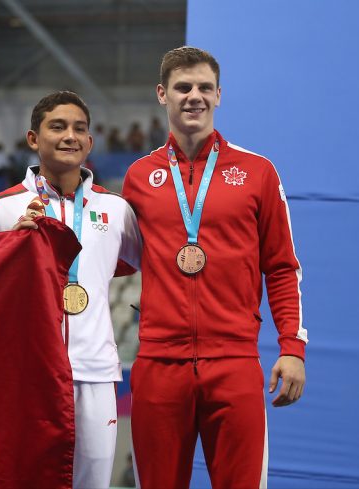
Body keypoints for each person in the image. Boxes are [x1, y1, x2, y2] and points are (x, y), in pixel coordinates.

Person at [122, 46, 307, 488]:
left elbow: (281, 267)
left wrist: (291, 348)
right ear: (162, 94)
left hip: (234, 361)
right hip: (159, 363)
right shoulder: (138, 176)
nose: (194, 96)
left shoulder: (258, 171)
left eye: (205, 87)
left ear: (219, 95)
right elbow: (114, 260)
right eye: (183, 87)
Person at [0, 91, 141, 488]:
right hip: (27, 372)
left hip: (95, 372)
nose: (70, 136)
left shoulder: (117, 210)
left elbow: (139, 267)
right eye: (57, 127)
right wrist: (11, 250)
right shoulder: (4, 208)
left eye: (79, 129)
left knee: (92, 482)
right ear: (33, 139)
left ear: (90, 143)